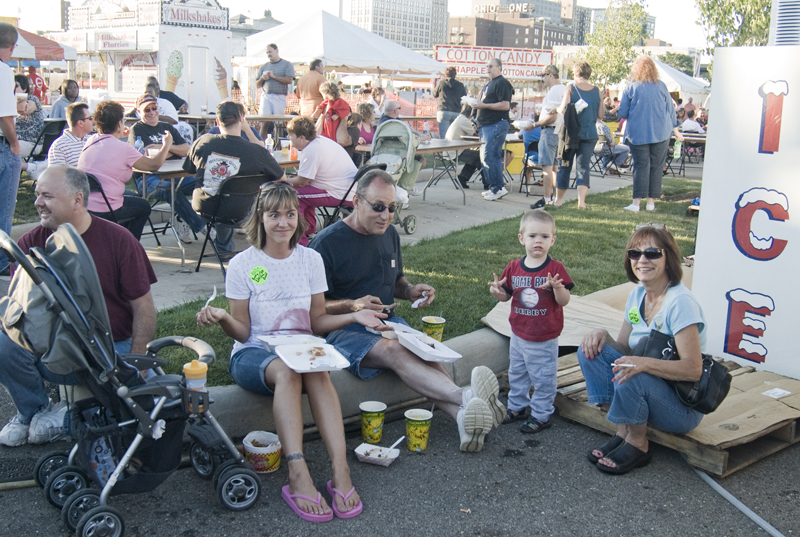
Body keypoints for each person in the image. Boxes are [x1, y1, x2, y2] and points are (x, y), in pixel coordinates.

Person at [196, 182, 376, 521]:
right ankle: (297, 473)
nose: (283, 222)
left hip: (301, 348)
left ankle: (340, 470)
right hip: (254, 354)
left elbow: (317, 321)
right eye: (274, 214)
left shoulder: (310, 260)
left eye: (290, 214)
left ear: (299, 218)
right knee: (288, 371)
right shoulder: (244, 264)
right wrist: (221, 318)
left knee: (317, 370)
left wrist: (354, 314)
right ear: (260, 218)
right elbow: (243, 331)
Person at [310, 170, 505, 452]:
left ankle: (462, 418)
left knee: (425, 350)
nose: (386, 215)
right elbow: (314, 310)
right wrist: (354, 305)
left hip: (386, 322)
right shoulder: (325, 244)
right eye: (378, 207)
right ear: (356, 201)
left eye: (392, 208)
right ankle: (466, 397)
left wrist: (410, 289)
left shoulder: (389, 234)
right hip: (342, 329)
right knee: (395, 350)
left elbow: (397, 282)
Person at [0, 165, 157, 447]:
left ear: (77, 200)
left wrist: (138, 363)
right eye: (37, 195)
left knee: (153, 398)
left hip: (107, 351)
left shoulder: (119, 240)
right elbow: (17, 311)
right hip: (51, 351)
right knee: (3, 341)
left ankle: (65, 418)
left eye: (46, 195)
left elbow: (143, 307)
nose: (37, 202)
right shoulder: (30, 243)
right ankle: (36, 411)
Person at [578, 224, 705, 474]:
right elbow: (624, 347)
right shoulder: (637, 296)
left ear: (669, 257)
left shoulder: (680, 303)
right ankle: (624, 430)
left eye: (652, 253)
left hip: (681, 406)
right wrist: (602, 335)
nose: (642, 260)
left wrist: (643, 364)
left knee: (632, 370)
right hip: (647, 389)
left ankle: (638, 443)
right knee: (591, 350)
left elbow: (693, 370)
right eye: (635, 253)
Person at [489, 210, 573, 434]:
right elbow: (506, 296)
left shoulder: (555, 269)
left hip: (544, 335)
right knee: (517, 372)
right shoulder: (514, 267)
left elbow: (564, 301)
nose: (538, 241)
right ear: (521, 238)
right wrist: (497, 292)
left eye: (545, 237)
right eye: (533, 235)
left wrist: (558, 288)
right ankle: (517, 407)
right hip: (518, 332)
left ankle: (542, 414)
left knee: (543, 377)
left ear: (552, 240)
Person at [184, 101, 286, 260]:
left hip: (203, 208)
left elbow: (189, 169)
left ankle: (224, 250)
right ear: (241, 119)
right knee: (239, 198)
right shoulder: (257, 152)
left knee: (221, 194)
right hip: (240, 213)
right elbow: (282, 180)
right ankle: (267, 250)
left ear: (218, 122)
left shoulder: (203, 141)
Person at [78, 100, 162, 240]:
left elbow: (108, 149)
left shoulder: (91, 140)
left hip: (86, 203)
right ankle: (128, 246)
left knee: (134, 199)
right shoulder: (124, 148)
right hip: (106, 207)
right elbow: (154, 165)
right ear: (119, 124)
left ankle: (116, 239)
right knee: (144, 207)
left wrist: (118, 135)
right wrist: (167, 145)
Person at [128, 94, 206, 244]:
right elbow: (149, 157)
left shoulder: (167, 127)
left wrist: (163, 148)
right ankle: (203, 227)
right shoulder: (137, 130)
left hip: (174, 174)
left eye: (154, 108)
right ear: (139, 112)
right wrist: (168, 147)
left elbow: (186, 149)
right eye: (147, 110)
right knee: (171, 190)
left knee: (203, 183)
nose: (151, 112)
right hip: (148, 178)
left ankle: (182, 217)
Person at [618, 56, 683, 213]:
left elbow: (623, 112)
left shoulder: (631, 87)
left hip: (638, 132)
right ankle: (651, 203)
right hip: (661, 132)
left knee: (641, 166)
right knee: (656, 166)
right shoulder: (661, 86)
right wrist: (675, 128)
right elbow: (670, 109)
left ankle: (636, 203)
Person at [285, 116, 356, 246]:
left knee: (293, 195)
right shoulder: (321, 141)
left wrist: (283, 180)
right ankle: (308, 229)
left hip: (338, 192)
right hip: (348, 189)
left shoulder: (311, 150)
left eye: (291, 136)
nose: (289, 139)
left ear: (301, 137)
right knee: (304, 193)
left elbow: (302, 182)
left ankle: (300, 241)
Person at [553, 62, 604, 209]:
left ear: (576, 74)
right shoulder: (597, 91)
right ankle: (581, 202)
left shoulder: (571, 88)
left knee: (565, 165)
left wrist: (556, 109)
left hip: (571, 135)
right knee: (584, 167)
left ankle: (559, 200)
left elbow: (563, 109)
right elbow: (600, 115)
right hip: (590, 134)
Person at [525, 65, 566, 208]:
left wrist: (535, 125)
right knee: (555, 167)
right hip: (561, 131)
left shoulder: (553, 92)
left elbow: (551, 118)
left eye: (544, 76)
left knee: (547, 168)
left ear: (551, 75)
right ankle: (555, 198)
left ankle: (546, 198)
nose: (542, 79)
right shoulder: (566, 90)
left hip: (549, 130)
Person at [473, 57, 513, 201]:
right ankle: (494, 187)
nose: (488, 69)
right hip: (486, 124)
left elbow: (505, 105)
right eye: (487, 66)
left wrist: (483, 106)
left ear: (499, 68)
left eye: (491, 66)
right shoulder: (490, 83)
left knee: (491, 156)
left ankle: (497, 188)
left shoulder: (502, 83)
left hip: (496, 123)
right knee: (485, 157)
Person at [0, 22, 22, 277]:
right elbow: (5, 116)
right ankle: (3, 261)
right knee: (4, 209)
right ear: (12, 46)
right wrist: (15, 143)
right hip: (3, 146)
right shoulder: (4, 71)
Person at [14, 74, 46, 180]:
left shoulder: (32, 99)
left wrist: (17, 98)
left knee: (5, 151)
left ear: (24, 88)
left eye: (16, 85)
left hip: (31, 142)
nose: (13, 88)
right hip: (16, 140)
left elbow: (24, 110)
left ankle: (31, 168)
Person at [445, 104, 482, 189]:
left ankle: (463, 178)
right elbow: (473, 135)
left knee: (474, 157)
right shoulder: (465, 121)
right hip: (455, 151)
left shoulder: (460, 118)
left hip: (451, 149)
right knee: (480, 157)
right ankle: (487, 182)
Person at [48, 102, 93, 167]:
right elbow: (57, 174)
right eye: (90, 118)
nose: (93, 121)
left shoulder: (92, 140)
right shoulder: (59, 146)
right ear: (80, 123)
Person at [256, 43, 295, 115]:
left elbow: (290, 80)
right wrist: (262, 78)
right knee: (264, 119)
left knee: (278, 121)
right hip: (266, 95)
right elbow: (257, 85)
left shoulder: (287, 64)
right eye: (267, 53)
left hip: (279, 96)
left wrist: (275, 77)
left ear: (276, 50)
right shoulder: (264, 66)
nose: (268, 54)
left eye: (270, 52)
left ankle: (277, 126)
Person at [433, 67, 466, 138]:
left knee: (444, 136)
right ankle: (452, 149)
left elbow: (435, 94)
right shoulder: (460, 85)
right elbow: (464, 98)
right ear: (455, 74)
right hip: (456, 111)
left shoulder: (442, 83)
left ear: (446, 74)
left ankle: (444, 149)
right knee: (453, 136)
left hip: (443, 110)